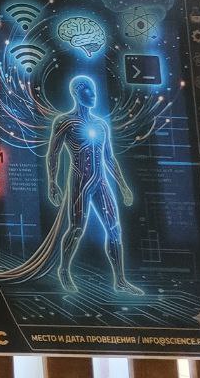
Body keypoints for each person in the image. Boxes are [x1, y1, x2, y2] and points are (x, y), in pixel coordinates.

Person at [47, 76, 142, 294]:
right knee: (77, 228)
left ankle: (120, 280)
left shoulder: (100, 125)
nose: (94, 94)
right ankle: (64, 270)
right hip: (79, 181)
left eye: (94, 90)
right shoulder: (65, 122)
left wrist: (123, 186)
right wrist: (52, 182)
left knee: (114, 228)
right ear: (76, 92)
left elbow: (109, 158)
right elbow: (53, 153)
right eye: (88, 90)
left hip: (101, 182)